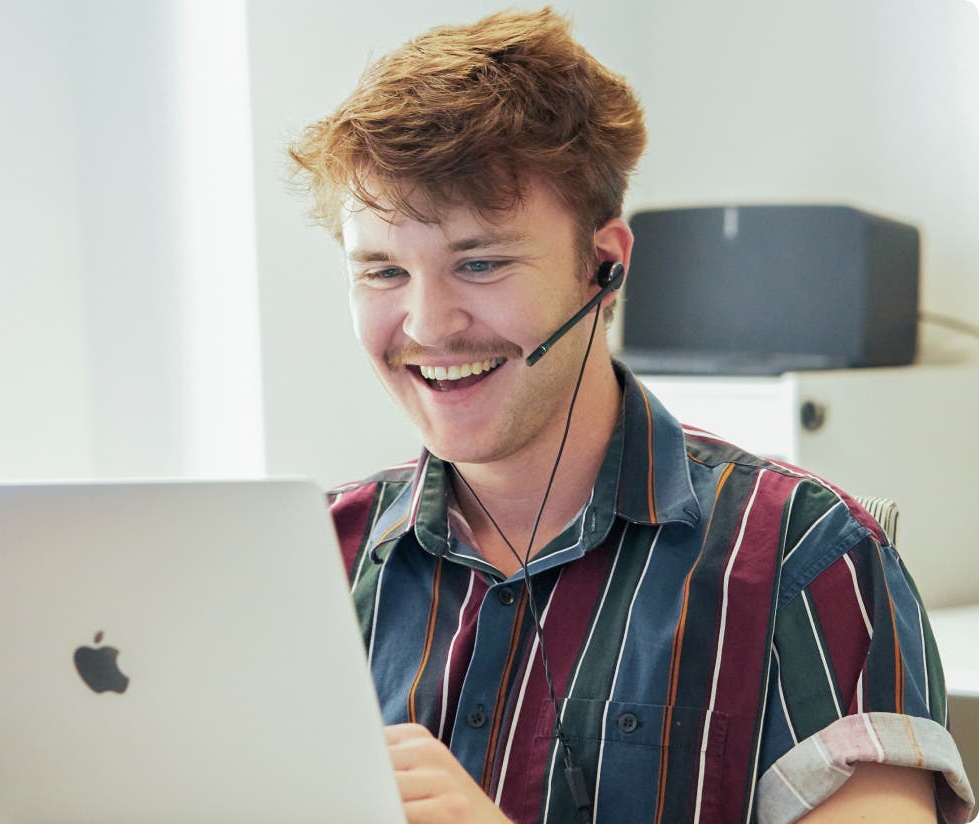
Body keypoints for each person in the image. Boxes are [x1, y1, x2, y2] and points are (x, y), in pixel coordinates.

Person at [288, 8, 974, 823]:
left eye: (481, 263)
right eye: (382, 272)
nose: (429, 326)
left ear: (604, 266)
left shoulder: (808, 557)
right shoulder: (307, 562)